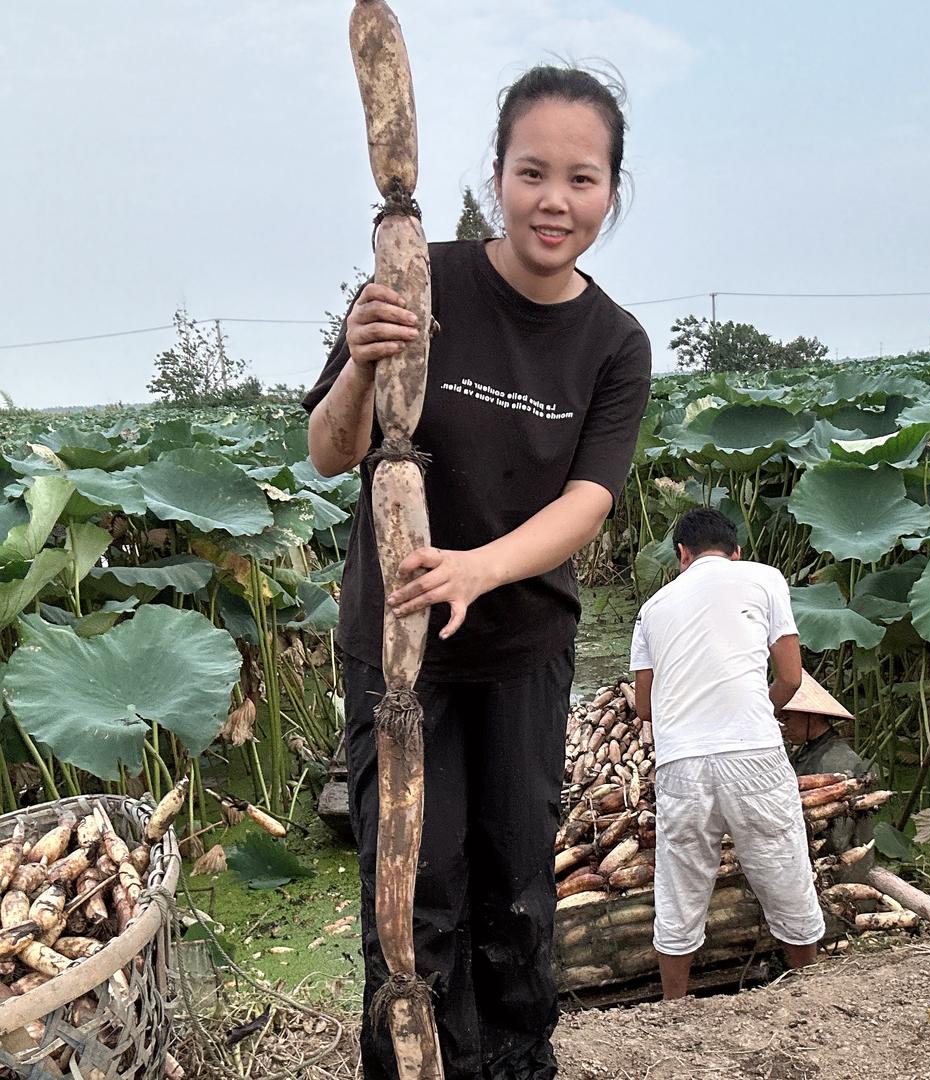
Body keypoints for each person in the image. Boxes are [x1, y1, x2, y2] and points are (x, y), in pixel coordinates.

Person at [304, 65, 651, 1080]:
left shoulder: (612, 342)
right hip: (399, 663)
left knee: (514, 893)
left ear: (611, 193)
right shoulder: (421, 280)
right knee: (413, 897)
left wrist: (477, 571)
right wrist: (365, 366)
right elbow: (330, 450)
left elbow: (588, 501)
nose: (556, 200)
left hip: (521, 654)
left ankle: (514, 1063)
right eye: (533, 171)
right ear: (496, 175)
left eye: (582, 179)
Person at [629, 508, 825, 999]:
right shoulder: (763, 578)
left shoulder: (652, 609)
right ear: (735, 551)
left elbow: (646, 708)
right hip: (752, 752)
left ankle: (675, 1006)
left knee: (680, 886)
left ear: (682, 555)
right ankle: (810, 988)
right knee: (783, 871)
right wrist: (764, 706)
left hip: (682, 763)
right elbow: (792, 678)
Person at [780, 673, 874, 880]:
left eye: (787, 717)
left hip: (840, 871)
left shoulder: (838, 762)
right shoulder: (806, 752)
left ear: (810, 715)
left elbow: (838, 838)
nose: (783, 725)